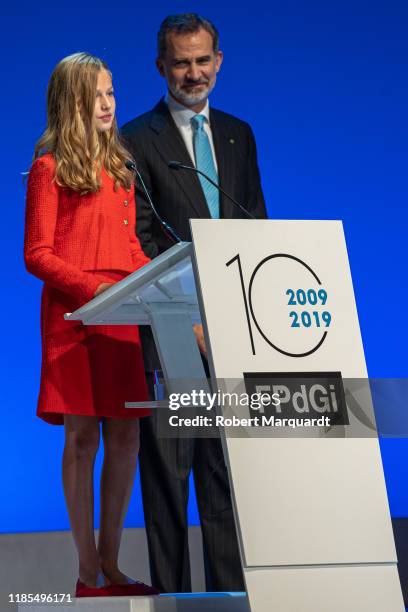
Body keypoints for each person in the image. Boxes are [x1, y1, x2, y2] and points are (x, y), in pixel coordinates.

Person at [121, 13, 267, 593]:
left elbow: (255, 221)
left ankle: (232, 598)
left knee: (225, 480)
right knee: (168, 483)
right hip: (173, 332)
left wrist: (246, 316)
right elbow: (142, 240)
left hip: (233, 330)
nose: (193, 72)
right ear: (161, 67)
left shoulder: (238, 133)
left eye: (203, 59)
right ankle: (172, 601)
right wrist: (190, 317)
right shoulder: (135, 138)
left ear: (219, 61)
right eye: (181, 62)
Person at [24, 52, 159, 598]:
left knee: (125, 437)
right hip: (75, 314)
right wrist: (93, 289)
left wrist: (161, 284)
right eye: (96, 94)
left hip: (122, 316)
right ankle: (86, 573)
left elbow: (129, 247)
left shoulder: (122, 170)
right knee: (82, 438)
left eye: (111, 92)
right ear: (70, 101)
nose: (109, 103)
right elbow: (37, 254)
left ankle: (113, 564)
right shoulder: (49, 167)